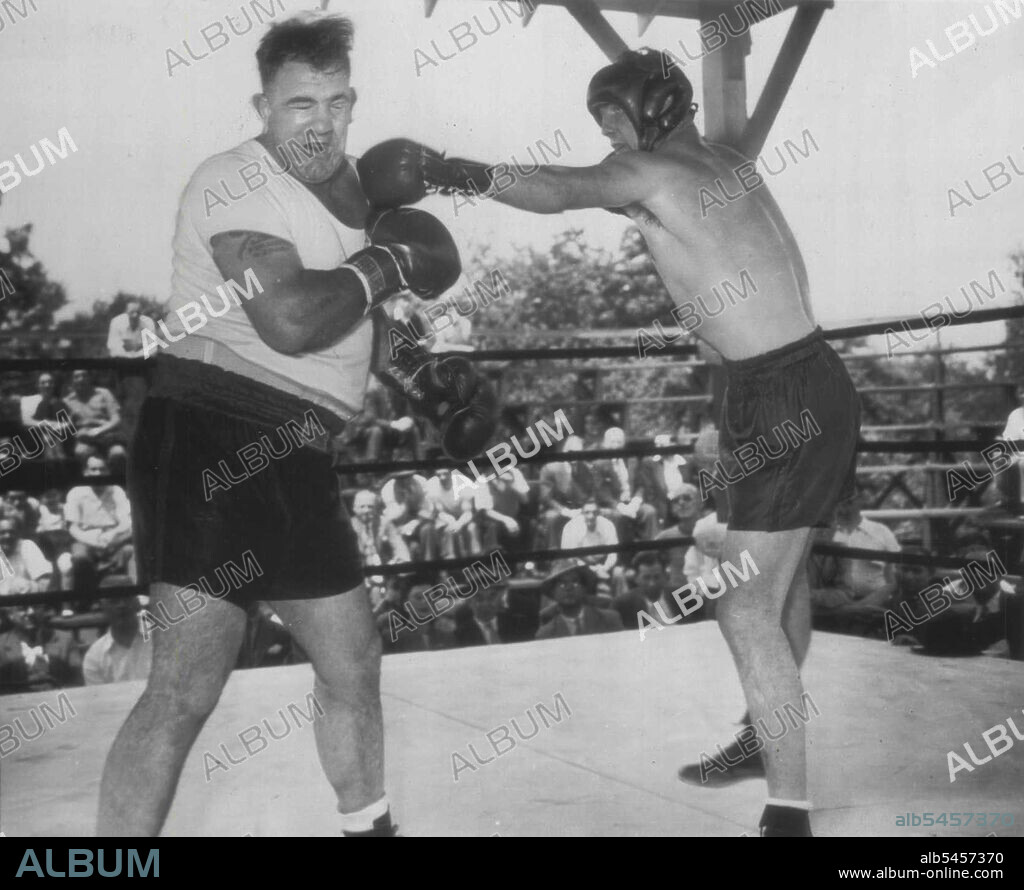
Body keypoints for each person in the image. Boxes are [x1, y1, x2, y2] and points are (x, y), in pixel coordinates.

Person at [359, 46, 862, 835]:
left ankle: (789, 812)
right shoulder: (726, 165)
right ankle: (770, 737)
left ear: (654, 108)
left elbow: (561, 189)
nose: (609, 136)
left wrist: (445, 169)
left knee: (742, 605)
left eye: (615, 117)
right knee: (781, 582)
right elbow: (726, 289)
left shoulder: (655, 173)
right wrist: (722, 402)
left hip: (783, 392)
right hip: (785, 381)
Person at [97, 12, 485, 839]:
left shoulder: (360, 197)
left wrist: (424, 374)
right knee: (184, 692)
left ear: (355, 102)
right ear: (263, 105)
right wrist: (387, 264)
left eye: (336, 102)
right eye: (299, 104)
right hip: (209, 436)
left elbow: (359, 316)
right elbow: (291, 319)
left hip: (300, 453)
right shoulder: (231, 181)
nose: (321, 122)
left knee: (353, 660)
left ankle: (368, 828)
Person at [65, 455, 134, 593]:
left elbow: (126, 521)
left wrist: (112, 535)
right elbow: (73, 528)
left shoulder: (116, 490)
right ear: (86, 472)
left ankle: (136, 595)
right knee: (80, 557)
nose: (98, 474)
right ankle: (86, 598)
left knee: (131, 551)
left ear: (108, 472)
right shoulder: (75, 492)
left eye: (102, 469)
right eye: (94, 469)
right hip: (86, 538)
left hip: (113, 538)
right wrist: (92, 540)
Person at [592, 427, 659, 543]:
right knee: (620, 518)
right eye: (613, 442)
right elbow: (601, 492)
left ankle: (650, 552)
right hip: (612, 506)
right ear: (605, 444)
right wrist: (620, 507)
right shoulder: (599, 464)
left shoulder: (632, 460)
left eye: (619, 442)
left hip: (632, 503)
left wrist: (636, 501)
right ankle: (622, 556)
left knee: (649, 511)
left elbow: (640, 485)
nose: (616, 445)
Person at [535, 561, 623, 639]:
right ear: (553, 592)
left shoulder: (610, 619)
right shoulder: (545, 634)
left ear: (584, 588)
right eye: (562, 584)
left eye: (575, 582)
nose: (569, 588)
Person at [62, 369, 127, 469]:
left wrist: (98, 431)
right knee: (80, 452)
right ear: (72, 381)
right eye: (77, 377)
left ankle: (114, 483)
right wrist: (78, 434)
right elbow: (68, 427)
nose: (81, 379)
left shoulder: (104, 393)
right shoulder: (67, 401)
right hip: (85, 440)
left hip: (107, 435)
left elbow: (116, 419)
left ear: (90, 378)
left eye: (84, 375)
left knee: (118, 453)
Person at [83, 597, 154, 685]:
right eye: (113, 600)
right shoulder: (94, 657)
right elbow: (99, 698)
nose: (121, 605)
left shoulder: (164, 636)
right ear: (103, 607)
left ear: (137, 602)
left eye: (127, 597)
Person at [654, 483, 702, 591]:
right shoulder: (665, 537)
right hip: (679, 594)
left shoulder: (711, 530)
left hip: (711, 592)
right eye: (676, 501)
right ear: (672, 509)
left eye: (687, 498)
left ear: (699, 503)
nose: (681, 503)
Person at [20, 372, 75, 460]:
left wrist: (57, 427)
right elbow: (26, 422)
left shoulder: (60, 402)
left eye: (50, 382)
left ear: (54, 385)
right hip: (34, 439)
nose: (47, 385)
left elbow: (68, 422)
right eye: (43, 382)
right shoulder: (28, 400)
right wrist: (47, 424)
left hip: (57, 438)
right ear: (37, 385)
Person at [560, 498, 619, 581]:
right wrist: (590, 569)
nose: (591, 516)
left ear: (599, 513)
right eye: (587, 513)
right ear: (582, 513)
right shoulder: (571, 527)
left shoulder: (608, 525)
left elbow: (613, 553)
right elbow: (571, 557)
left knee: (618, 573)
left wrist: (604, 568)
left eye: (594, 513)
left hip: (603, 564)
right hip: (579, 565)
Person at [0, 517, 53, 596]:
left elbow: (44, 582)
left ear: (18, 533)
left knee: (18, 584)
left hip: (29, 601)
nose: (7, 536)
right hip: (4, 604)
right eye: (2, 533)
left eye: (11, 532)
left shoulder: (27, 546)